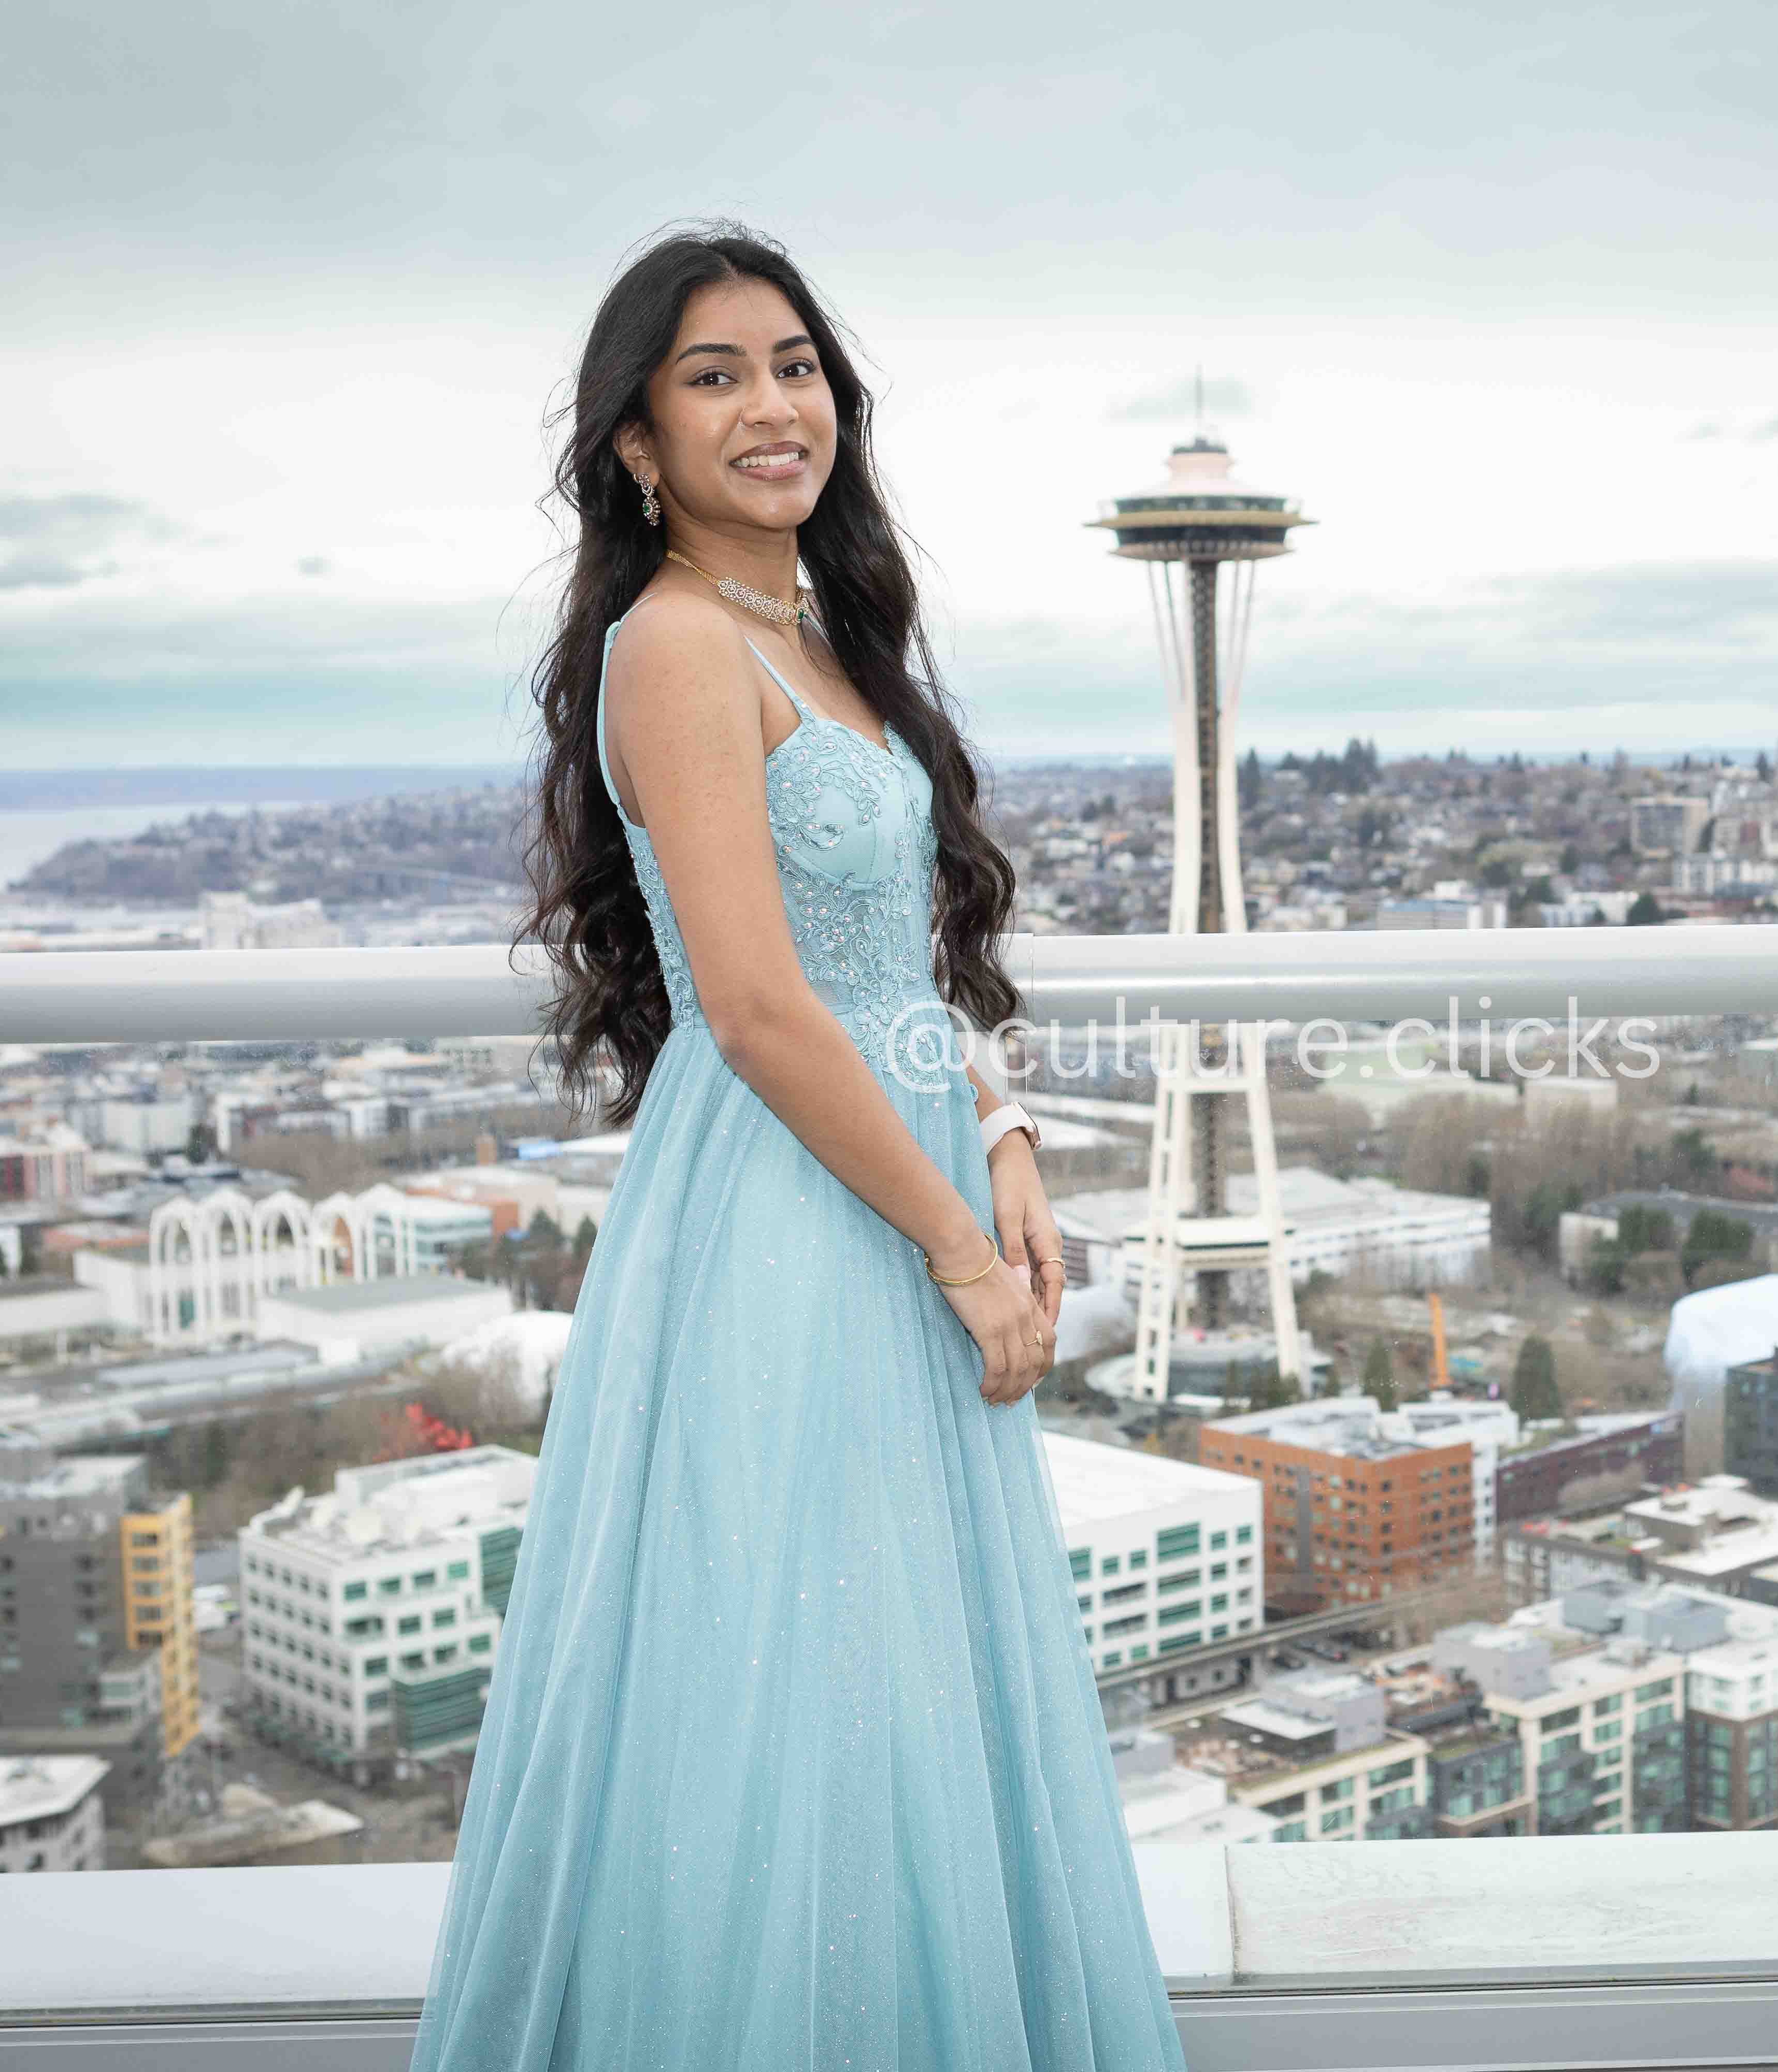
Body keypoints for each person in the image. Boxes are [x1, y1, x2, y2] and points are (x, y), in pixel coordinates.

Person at [402, 222, 1192, 2071]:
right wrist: (958, 1248)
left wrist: (1000, 1128)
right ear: (636, 442)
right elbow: (757, 1009)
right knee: (794, 1659)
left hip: (900, 1171)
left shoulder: (813, 634)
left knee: (901, 1662)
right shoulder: (678, 645)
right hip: (788, 1207)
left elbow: (884, 958)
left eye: (796, 367)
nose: (772, 407)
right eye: (715, 377)